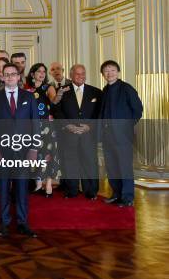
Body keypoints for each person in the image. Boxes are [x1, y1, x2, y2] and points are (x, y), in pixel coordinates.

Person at [0, 63, 39, 238]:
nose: (9, 77)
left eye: (13, 74)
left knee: (22, 188)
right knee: (3, 187)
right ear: (2, 77)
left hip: (24, 151)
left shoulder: (29, 97)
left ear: (19, 77)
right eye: (6, 74)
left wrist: (34, 148)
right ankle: (4, 223)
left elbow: (35, 124)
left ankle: (23, 223)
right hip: (2, 151)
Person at [54, 64, 103, 199]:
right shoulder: (62, 91)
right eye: (77, 74)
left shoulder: (96, 92)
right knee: (70, 162)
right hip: (69, 134)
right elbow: (57, 111)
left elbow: (99, 114)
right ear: (71, 75)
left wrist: (89, 126)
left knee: (89, 162)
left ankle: (91, 192)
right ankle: (71, 191)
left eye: (83, 73)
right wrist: (67, 126)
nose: (80, 76)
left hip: (88, 134)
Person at [99, 60, 142, 207]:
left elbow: (138, 109)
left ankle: (127, 197)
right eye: (106, 71)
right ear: (103, 75)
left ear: (118, 72)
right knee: (112, 167)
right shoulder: (104, 90)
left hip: (122, 136)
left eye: (112, 70)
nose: (109, 73)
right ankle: (116, 194)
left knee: (124, 167)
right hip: (107, 136)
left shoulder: (127, 88)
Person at [24, 63, 58, 197]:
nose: (42, 74)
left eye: (44, 71)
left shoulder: (48, 87)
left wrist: (58, 95)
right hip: (31, 127)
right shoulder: (26, 89)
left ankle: (48, 183)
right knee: (36, 153)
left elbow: (54, 100)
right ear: (32, 74)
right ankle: (38, 182)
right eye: (39, 71)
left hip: (47, 126)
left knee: (48, 153)